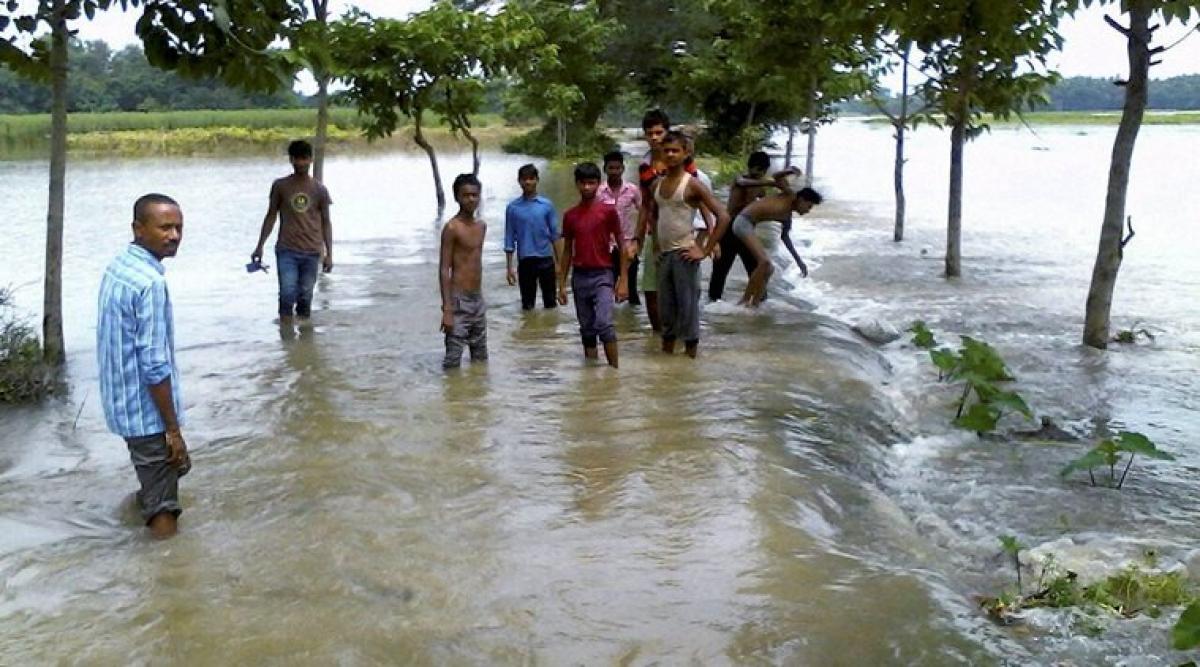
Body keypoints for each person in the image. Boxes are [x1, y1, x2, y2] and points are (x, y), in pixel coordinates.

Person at [97, 193, 190, 539]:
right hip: (145, 413)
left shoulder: (120, 265)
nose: (174, 235)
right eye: (165, 227)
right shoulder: (150, 283)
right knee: (164, 504)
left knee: (173, 470)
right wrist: (173, 430)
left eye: (179, 227)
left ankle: (141, 504)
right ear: (139, 228)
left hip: (122, 403)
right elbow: (154, 364)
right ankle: (169, 572)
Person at [634, 131, 730, 358]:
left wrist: (705, 249)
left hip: (685, 254)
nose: (670, 155)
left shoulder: (692, 184)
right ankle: (668, 365)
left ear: (686, 153)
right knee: (666, 313)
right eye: (666, 150)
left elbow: (722, 216)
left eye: (675, 150)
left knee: (688, 312)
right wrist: (656, 246)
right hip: (665, 255)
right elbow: (653, 215)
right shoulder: (656, 184)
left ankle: (690, 362)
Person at [251, 139, 334, 320]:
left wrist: (329, 253)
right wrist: (260, 246)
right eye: (297, 159)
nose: (301, 163)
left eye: (304, 159)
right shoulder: (281, 186)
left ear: (311, 160)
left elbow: (326, 222)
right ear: (291, 160)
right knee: (287, 294)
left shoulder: (320, 190)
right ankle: (286, 337)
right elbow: (271, 215)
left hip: (312, 251)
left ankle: (304, 342)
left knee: (305, 298)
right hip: (287, 249)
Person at [558, 162, 629, 368]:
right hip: (580, 276)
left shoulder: (608, 212)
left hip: (603, 274)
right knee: (587, 329)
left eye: (591, 183)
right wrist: (561, 284)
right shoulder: (570, 216)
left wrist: (623, 279)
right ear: (577, 184)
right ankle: (591, 376)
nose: (587, 187)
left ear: (599, 184)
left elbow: (622, 244)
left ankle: (614, 373)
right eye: (583, 183)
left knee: (604, 324)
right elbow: (567, 251)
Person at [635, 109, 700, 332]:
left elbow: (700, 201)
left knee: (684, 293)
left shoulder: (685, 163)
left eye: (659, 132)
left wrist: (705, 241)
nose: (654, 137)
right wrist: (638, 238)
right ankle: (659, 337)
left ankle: (683, 338)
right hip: (656, 236)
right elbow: (645, 204)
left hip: (682, 236)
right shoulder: (644, 166)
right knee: (651, 290)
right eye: (650, 133)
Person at [709, 152, 801, 302]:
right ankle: (713, 302)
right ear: (750, 167)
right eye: (756, 170)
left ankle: (759, 302)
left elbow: (764, 205)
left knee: (757, 268)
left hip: (745, 232)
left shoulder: (759, 187)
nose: (757, 174)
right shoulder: (740, 180)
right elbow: (743, 183)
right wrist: (770, 182)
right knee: (720, 271)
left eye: (760, 171)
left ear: (764, 171)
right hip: (729, 230)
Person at [730, 186, 824, 306]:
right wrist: (789, 171)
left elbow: (785, 238)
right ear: (801, 199)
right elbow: (777, 178)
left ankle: (755, 304)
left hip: (749, 225)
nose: (808, 211)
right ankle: (744, 300)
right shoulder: (787, 197)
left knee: (769, 269)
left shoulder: (787, 217)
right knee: (764, 263)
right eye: (808, 206)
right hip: (742, 222)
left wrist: (799, 262)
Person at [440, 174, 488, 370]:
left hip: (477, 300)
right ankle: (452, 398)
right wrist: (447, 309)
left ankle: (476, 398)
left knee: (480, 360)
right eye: (466, 195)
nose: (471, 199)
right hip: (458, 301)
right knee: (453, 360)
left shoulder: (481, 226)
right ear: (457, 197)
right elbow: (444, 269)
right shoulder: (452, 228)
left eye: (475, 195)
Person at [504, 164, 561, 310]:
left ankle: (549, 332)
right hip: (525, 261)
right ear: (519, 181)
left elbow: (555, 236)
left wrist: (559, 264)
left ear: (537, 180)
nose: (528, 182)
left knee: (551, 304)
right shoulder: (513, 208)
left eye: (531, 178)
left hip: (546, 260)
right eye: (524, 179)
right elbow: (509, 238)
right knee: (527, 306)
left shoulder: (546, 206)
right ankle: (529, 332)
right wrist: (509, 268)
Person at [597, 151, 641, 306]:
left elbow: (644, 214)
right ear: (605, 169)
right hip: (605, 247)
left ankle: (632, 325)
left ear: (623, 168)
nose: (614, 171)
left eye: (617, 168)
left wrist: (637, 241)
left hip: (627, 246)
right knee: (606, 288)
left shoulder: (632, 190)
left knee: (632, 290)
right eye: (611, 168)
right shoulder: (599, 192)